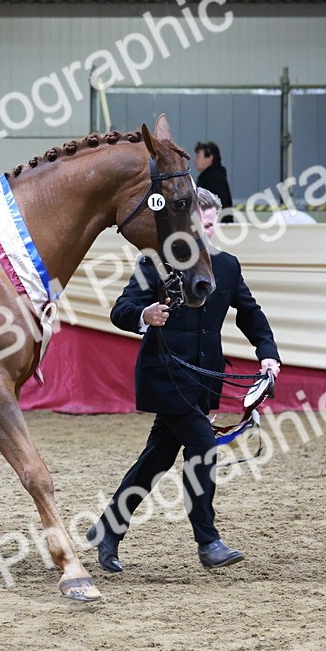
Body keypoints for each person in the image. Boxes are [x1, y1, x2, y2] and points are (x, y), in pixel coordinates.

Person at [87, 187, 281, 573]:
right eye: (198, 224)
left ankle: (108, 529)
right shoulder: (157, 263)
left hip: (204, 381)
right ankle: (208, 542)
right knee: (203, 448)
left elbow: (249, 313)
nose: (204, 230)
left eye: (209, 223)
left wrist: (268, 353)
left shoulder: (226, 266)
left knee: (156, 459)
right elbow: (121, 310)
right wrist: (146, 315)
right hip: (166, 376)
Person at [194, 141, 232, 222]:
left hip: (218, 227)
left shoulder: (215, 179)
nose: (195, 160)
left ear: (210, 157)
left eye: (198, 156)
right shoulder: (205, 178)